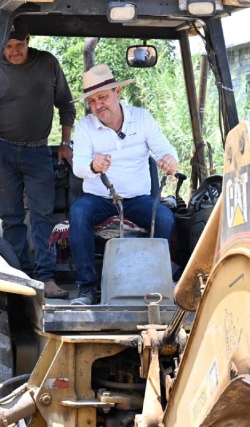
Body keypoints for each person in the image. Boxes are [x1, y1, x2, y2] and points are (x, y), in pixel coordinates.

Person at [0, 18, 76, 298]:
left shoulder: (47, 64)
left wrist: (66, 143)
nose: (13, 51)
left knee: (43, 216)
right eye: (7, 46)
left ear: (28, 40)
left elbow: (66, 105)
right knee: (12, 217)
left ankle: (46, 278)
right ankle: (19, 276)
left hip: (38, 150)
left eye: (18, 45)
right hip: (3, 150)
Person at [69, 64, 178, 305]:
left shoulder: (142, 118)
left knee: (164, 217)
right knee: (78, 213)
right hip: (99, 199)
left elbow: (165, 149)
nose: (98, 105)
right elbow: (78, 167)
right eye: (93, 100)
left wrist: (170, 160)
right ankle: (87, 288)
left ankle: (154, 283)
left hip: (137, 199)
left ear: (117, 93)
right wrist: (93, 165)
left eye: (103, 97)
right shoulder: (85, 127)